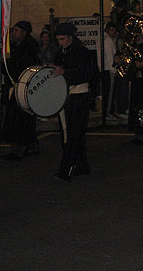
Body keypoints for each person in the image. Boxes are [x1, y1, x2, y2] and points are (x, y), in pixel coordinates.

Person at [53, 22, 96, 182]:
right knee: (73, 133)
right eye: (58, 39)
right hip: (67, 96)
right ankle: (81, 166)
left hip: (78, 96)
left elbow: (87, 74)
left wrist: (64, 72)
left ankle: (67, 169)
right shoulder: (62, 52)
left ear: (71, 37)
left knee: (72, 134)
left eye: (63, 39)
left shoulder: (82, 52)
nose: (60, 42)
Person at [2, 21, 41, 161]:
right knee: (22, 118)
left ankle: (19, 148)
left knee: (19, 118)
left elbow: (25, 66)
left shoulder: (28, 47)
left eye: (17, 31)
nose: (14, 33)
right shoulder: (17, 46)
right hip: (19, 85)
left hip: (24, 86)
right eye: (14, 30)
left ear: (24, 32)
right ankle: (29, 144)